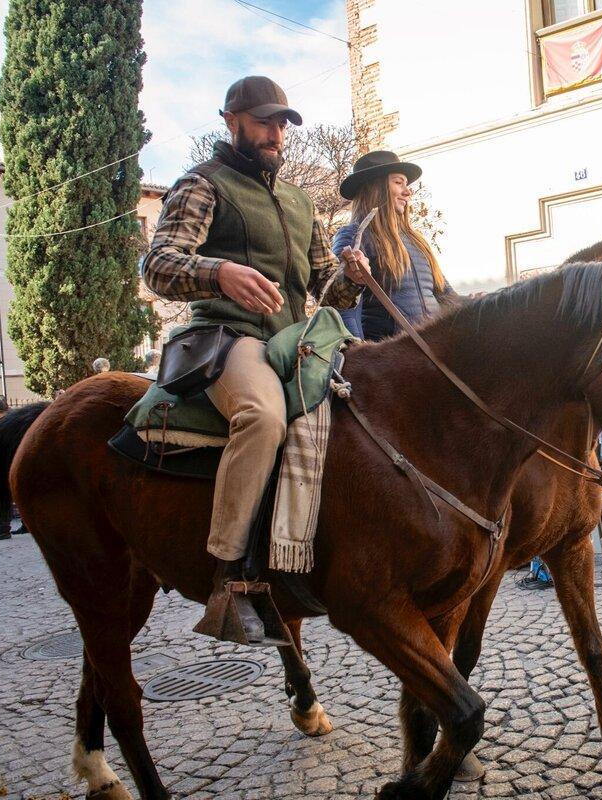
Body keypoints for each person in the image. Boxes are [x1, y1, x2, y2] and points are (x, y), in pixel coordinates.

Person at [143, 75, 370, 644]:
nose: (275, 133)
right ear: (231, 121)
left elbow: (326, 287)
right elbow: (159, 264)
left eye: (282, 123)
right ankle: (229, 578)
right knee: (263, 416)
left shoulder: (298, 202)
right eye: (264, 121)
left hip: (298, 344)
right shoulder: (203, 183)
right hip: (227, 339)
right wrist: (217, 272)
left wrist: (353, 277)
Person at [332, 151, 455, 341]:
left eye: (406, 184)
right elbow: (344, 306)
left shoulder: (417, 240)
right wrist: (357, 352)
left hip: (434, 354)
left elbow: (446, 295)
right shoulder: (354, 237)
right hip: (391, 360)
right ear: (376, 187)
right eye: (398, 183)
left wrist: (479, 305)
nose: (408, 191)